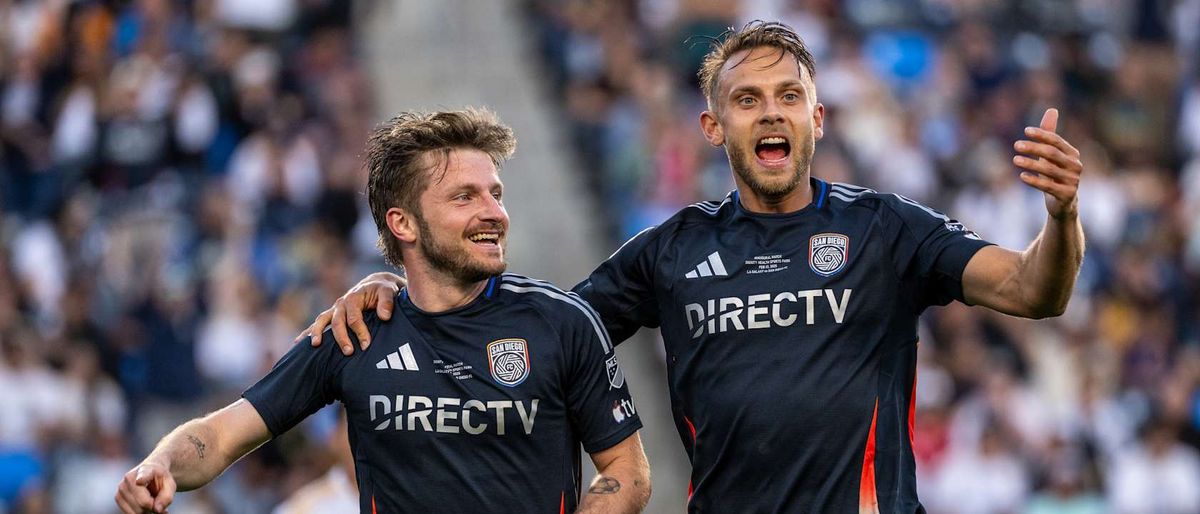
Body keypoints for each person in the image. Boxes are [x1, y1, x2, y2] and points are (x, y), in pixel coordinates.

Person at [305, 21, 1085, 513]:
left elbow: (1032, 290)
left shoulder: (885, 229)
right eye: (748, 100)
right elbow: (538, 335)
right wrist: (404, 283)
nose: (771, 111)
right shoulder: (672, 250)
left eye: (789, 96)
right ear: (715, 125)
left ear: (818, 117)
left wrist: (1060, 217)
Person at [114, 109, 651, 514]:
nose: (495, 213)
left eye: (496, 193)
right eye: (465, 197)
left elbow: (626, 470)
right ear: (404, 224)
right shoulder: (354, 332)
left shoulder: (562, 322)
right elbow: (221, 436)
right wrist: (159, 464)